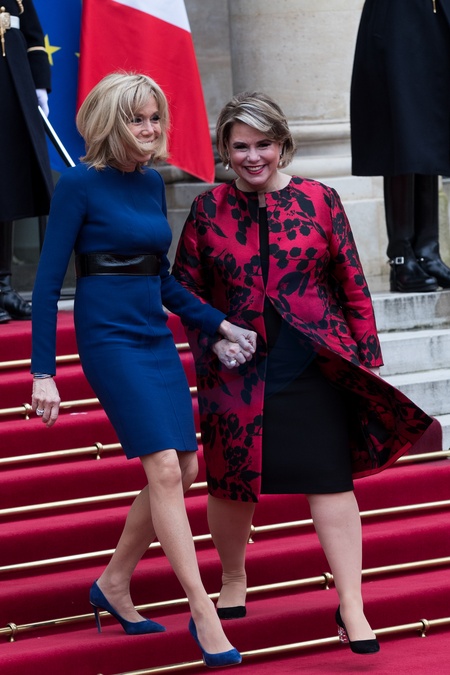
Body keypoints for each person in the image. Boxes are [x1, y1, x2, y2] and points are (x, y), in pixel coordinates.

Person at [173, 91, 433, 655]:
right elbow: (185, 289)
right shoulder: (207, 208)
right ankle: (233, 577)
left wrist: (366, 359)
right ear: (224, 150)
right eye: (240, 146)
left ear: (283, 144)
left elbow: (351, 280)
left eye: (263, 144)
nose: (252, 157)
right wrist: (214, 339)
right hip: (237, 370)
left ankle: (352, 604)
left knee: (330, 482)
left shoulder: (319, 199)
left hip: (316, 363)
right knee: (232, 484)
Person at [30, 72, 259, 668]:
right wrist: (42, 373)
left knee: (186, 467)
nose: (151, 128)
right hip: (107, 339)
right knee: (163, 467)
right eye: (137, 118)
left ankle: (113, 582)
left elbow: (163, 281)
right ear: (112, 122)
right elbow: (48, 283)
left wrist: (220, 324)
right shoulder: (78, 185)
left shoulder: (153, 183)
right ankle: (202, 611)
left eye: (156, 117)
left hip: (153, 336)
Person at [350, 0, 450, 293]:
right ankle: (401, 255)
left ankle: (427, 252)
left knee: (430, 132)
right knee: (403, 130)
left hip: (433, 16)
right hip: (399, 18)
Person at [0, 0, 53, 323]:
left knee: (6, 182)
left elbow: (32, 33)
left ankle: (3, 285)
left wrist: (39, 81)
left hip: (11, 80)